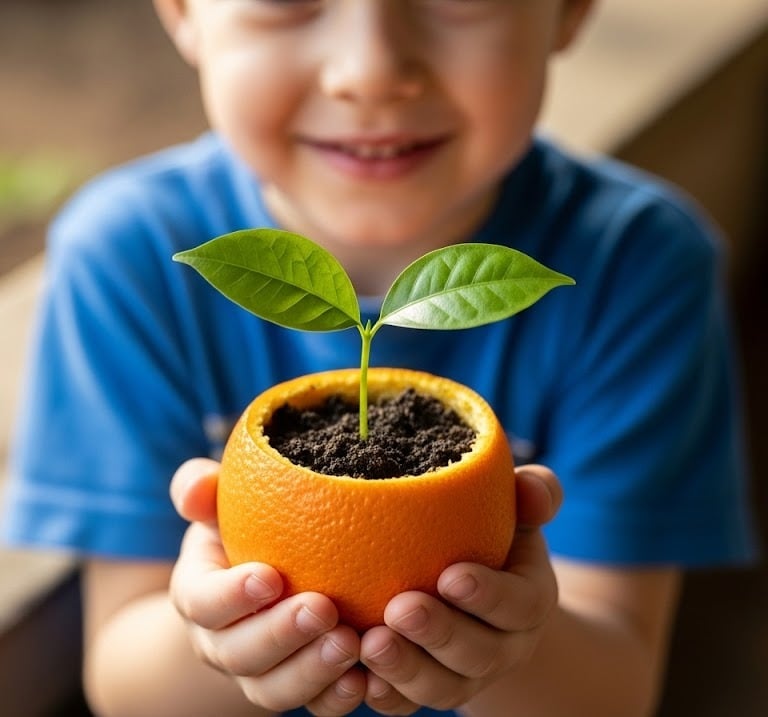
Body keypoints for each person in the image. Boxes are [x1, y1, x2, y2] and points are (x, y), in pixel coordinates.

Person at [1, 1, 755, 715]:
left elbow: (613, 685)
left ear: (571, 9)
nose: (371, 69)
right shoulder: (131, 260)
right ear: (184, 13)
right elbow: (125, 680)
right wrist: (218, 636)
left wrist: (511, 646)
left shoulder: (636, 266)